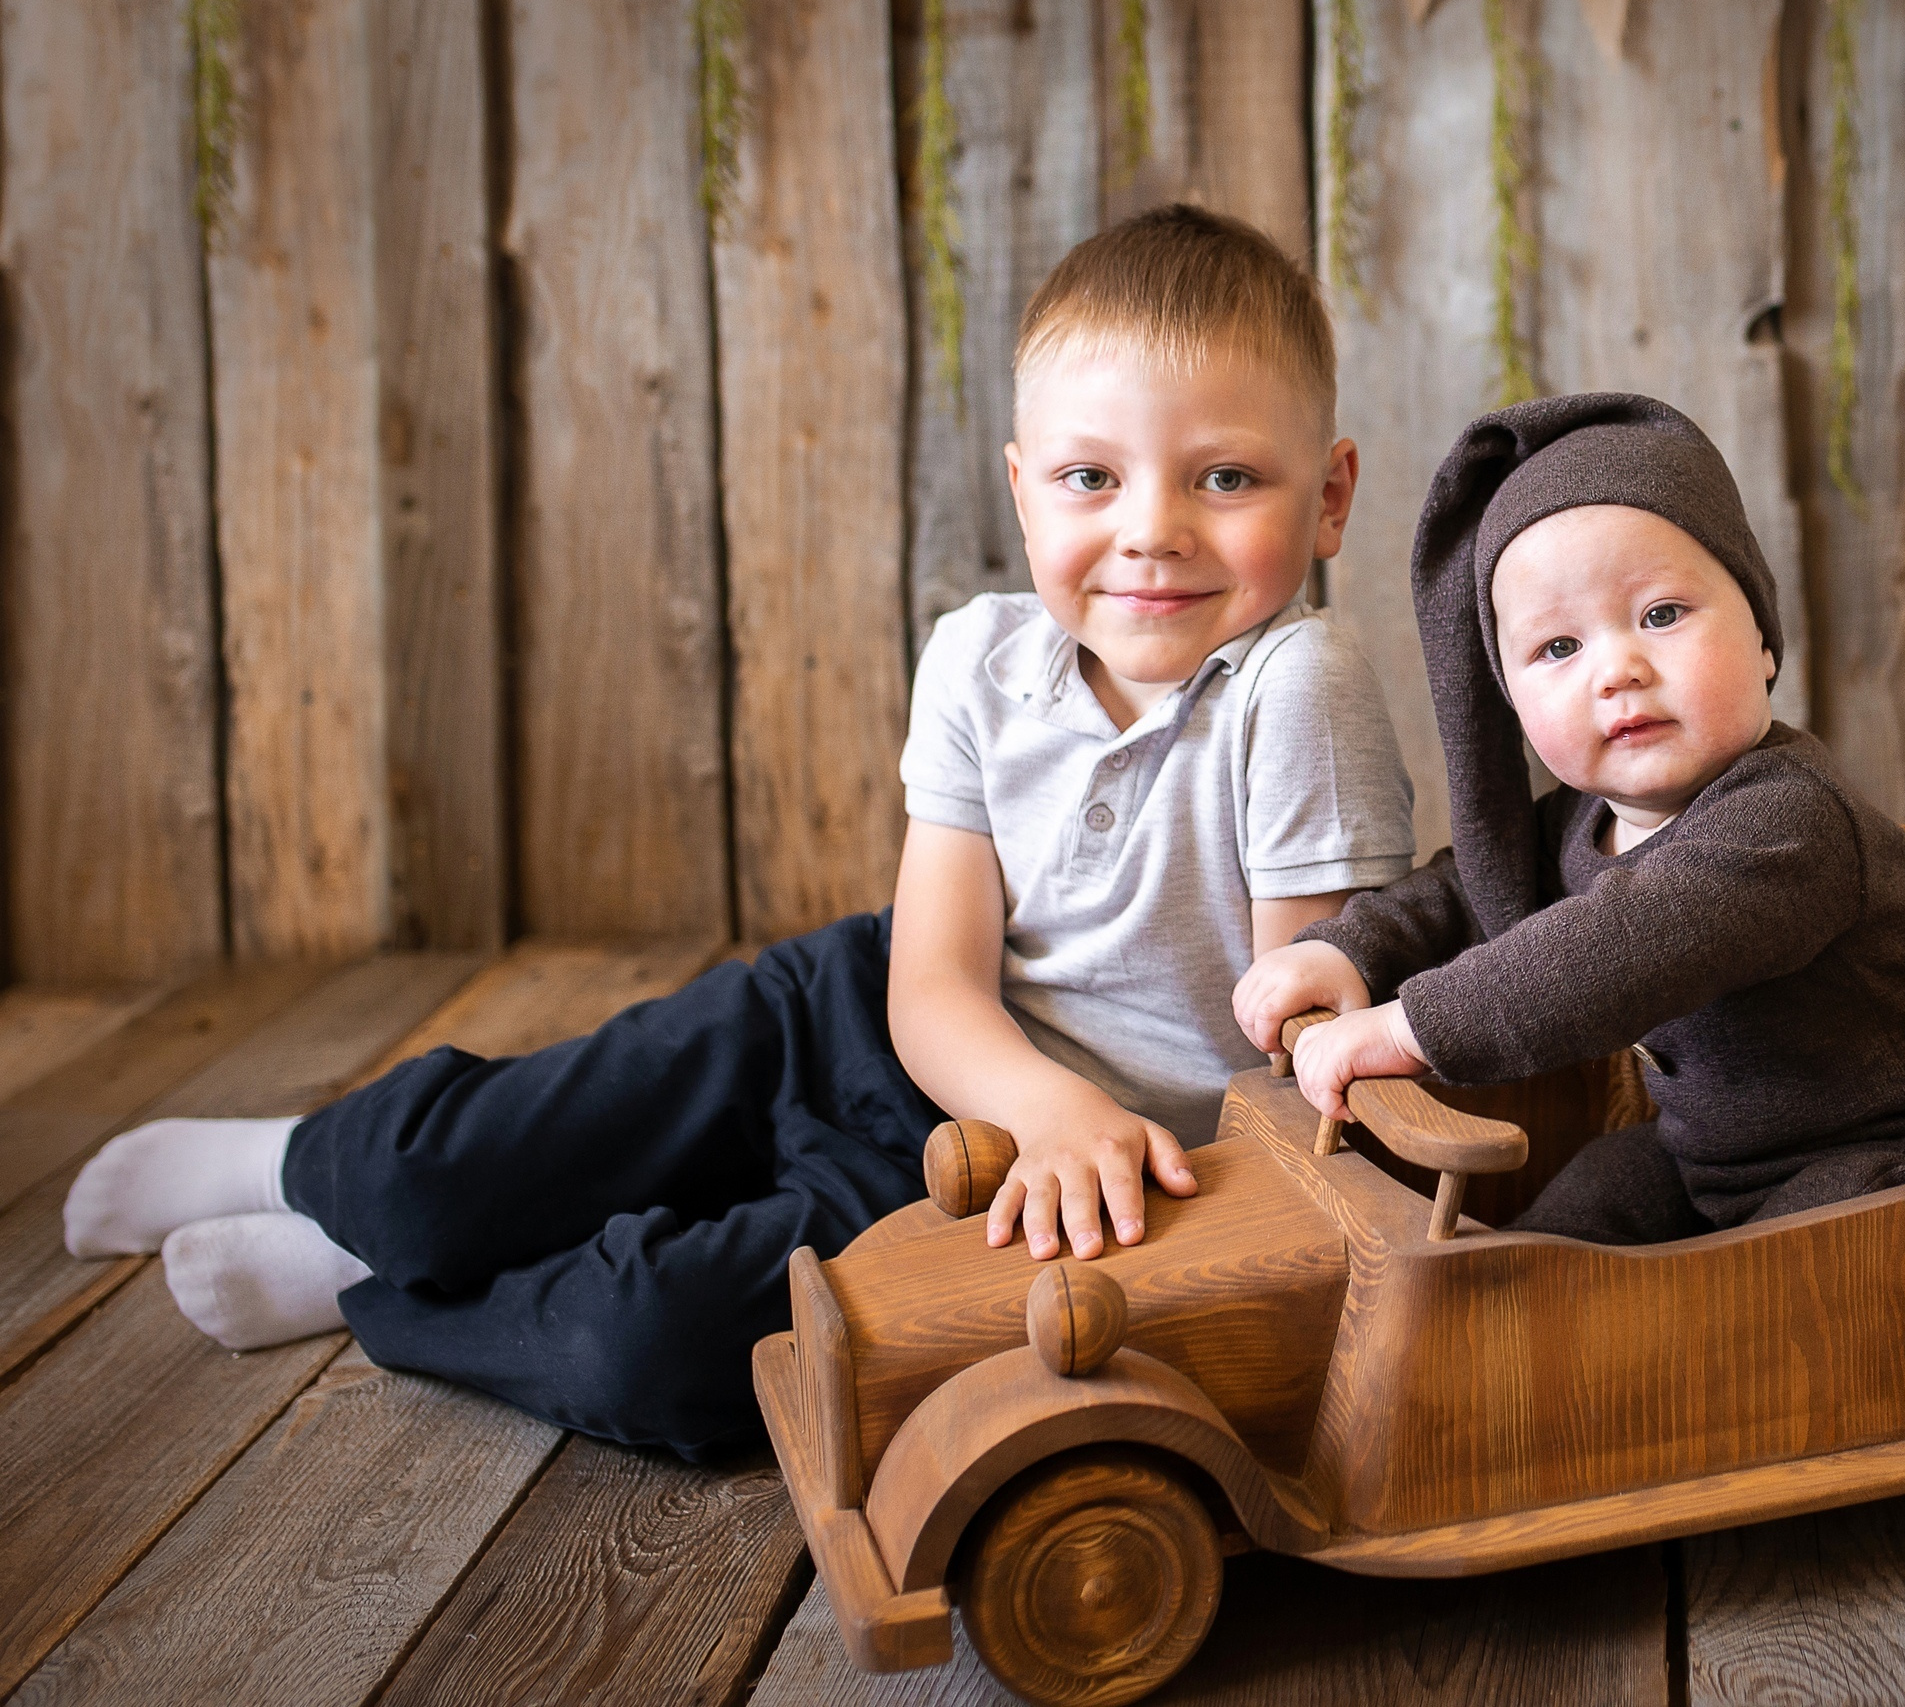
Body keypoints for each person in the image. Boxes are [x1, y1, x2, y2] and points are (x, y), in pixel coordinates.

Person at [63, 205, 1414, 1457]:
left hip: (1040, 1179)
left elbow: (1285, 1063)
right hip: (855, 1017)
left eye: (1224, 476)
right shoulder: (979, 658)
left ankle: (374, 1282)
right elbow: (931, 985)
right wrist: (1046, 1095)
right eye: (1089, 477)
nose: (1151, 531)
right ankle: (304, 1167)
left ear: (1329, 495)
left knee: (650, 1349)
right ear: (1022, 491)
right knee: (480, 1155)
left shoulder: (1298, 686)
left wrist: (1075, 1132)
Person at [1235, 392, 1905, 1245]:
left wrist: (1410, 1027)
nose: (1618, 669)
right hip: (1710, 1155)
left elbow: (1616, 948)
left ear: (1762, 637)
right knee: (1578, 1212)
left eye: (1661, 615)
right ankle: (1520, 1308)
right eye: (1559, 648)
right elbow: (1468, 887)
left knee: (1761, 1274)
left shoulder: (1789, 820)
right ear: (1510, 699)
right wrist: (1351, 948)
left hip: (1892, 1150)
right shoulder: (1590, 817)